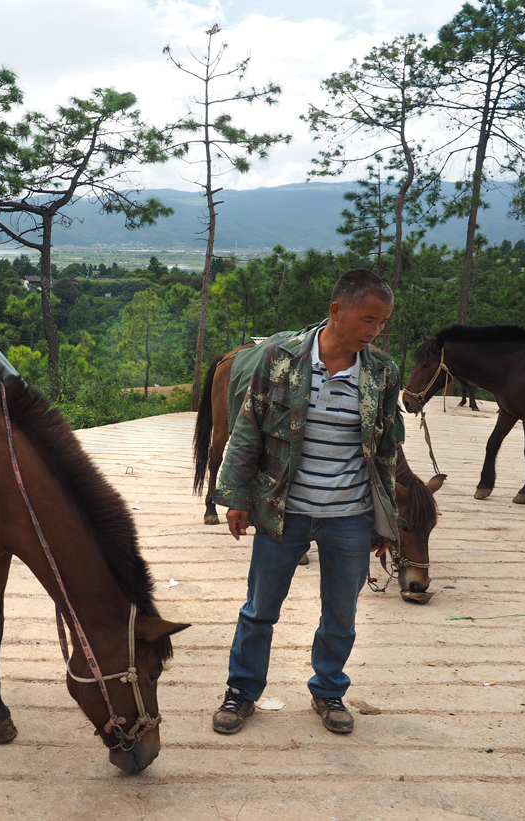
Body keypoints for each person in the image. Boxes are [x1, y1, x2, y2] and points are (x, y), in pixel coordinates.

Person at [211, 268, 403, 735]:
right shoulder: (281, 360)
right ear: (336, 311)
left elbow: (387, 450)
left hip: (349, 518)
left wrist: (384, 522)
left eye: (381, 324)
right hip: (284, 512)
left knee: (341, 613)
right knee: (259, 609)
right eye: (367, 320)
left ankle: (329, 689)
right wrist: (236, 498)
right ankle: (241, 691)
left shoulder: (381, 373)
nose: (374, 332)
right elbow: (247, 429)